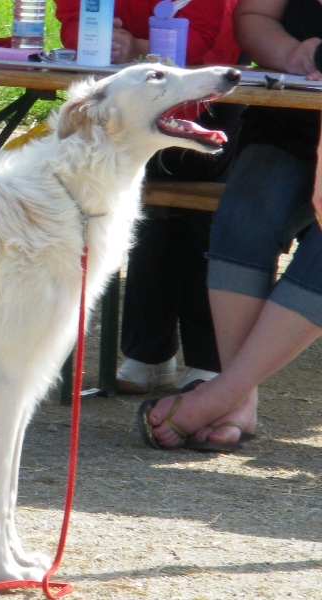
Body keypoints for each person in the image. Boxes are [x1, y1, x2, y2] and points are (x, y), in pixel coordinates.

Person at [139, 0, 322, 451]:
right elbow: (252, 17)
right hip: (287, 125)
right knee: (243, 217)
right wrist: (294, 54)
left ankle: (221, 394)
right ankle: (240, 400)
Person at [56, 0, 244, 394]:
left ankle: (208, 360)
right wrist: (105, 42)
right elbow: (73, 22)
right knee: (148, 216)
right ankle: (148, 353)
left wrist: (137, 43)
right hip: (129, 108)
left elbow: (200, 40)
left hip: (209, 101)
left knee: (200, 222)